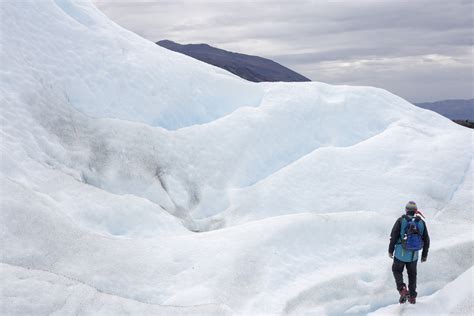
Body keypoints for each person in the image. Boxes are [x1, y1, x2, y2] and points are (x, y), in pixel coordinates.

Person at [388, 201, 430, 304]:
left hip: (400, 254)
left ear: (406, 210)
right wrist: (424, 255)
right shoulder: (421, 222)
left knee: (396, 270)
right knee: (412, 275)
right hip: (413, 256)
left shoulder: (401, 220)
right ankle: (412, 297)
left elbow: (393, 236)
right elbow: (426, 240)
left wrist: (390, 250)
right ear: (416, 211)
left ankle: (402, 289)